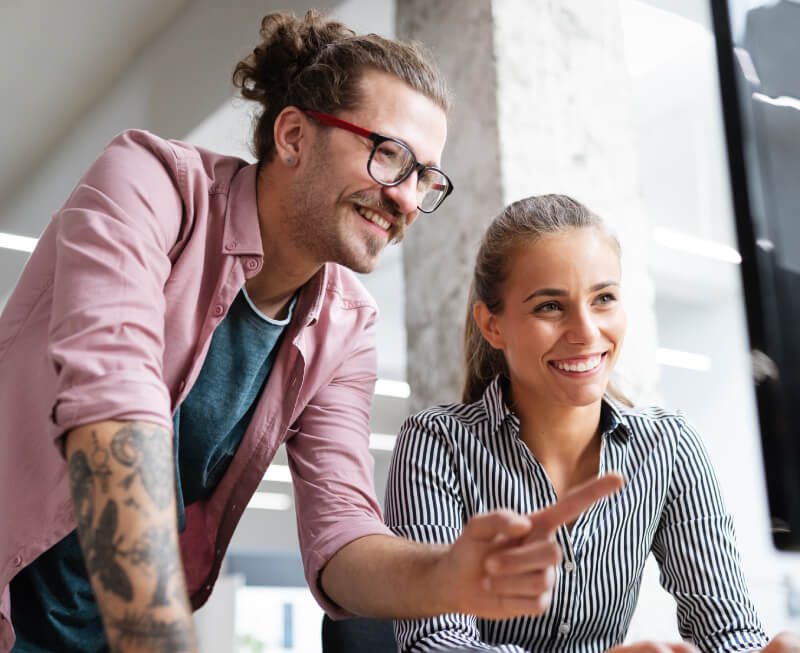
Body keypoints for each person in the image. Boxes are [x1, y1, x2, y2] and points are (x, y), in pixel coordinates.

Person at [0, 12, 621, 653]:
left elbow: (342, 531)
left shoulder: (348, 328)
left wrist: (445, 575)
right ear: (294, 135)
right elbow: (113, 401)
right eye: (390, 156)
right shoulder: (153, 183)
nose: (408, 200)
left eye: (425, 178)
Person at [385, 194, 800, 652]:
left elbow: (727, 630)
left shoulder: (667, 445)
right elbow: (435, 643)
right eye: (550, 306)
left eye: (603, 298)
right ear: (492, 325)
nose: (586, 332)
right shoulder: (437, 443)